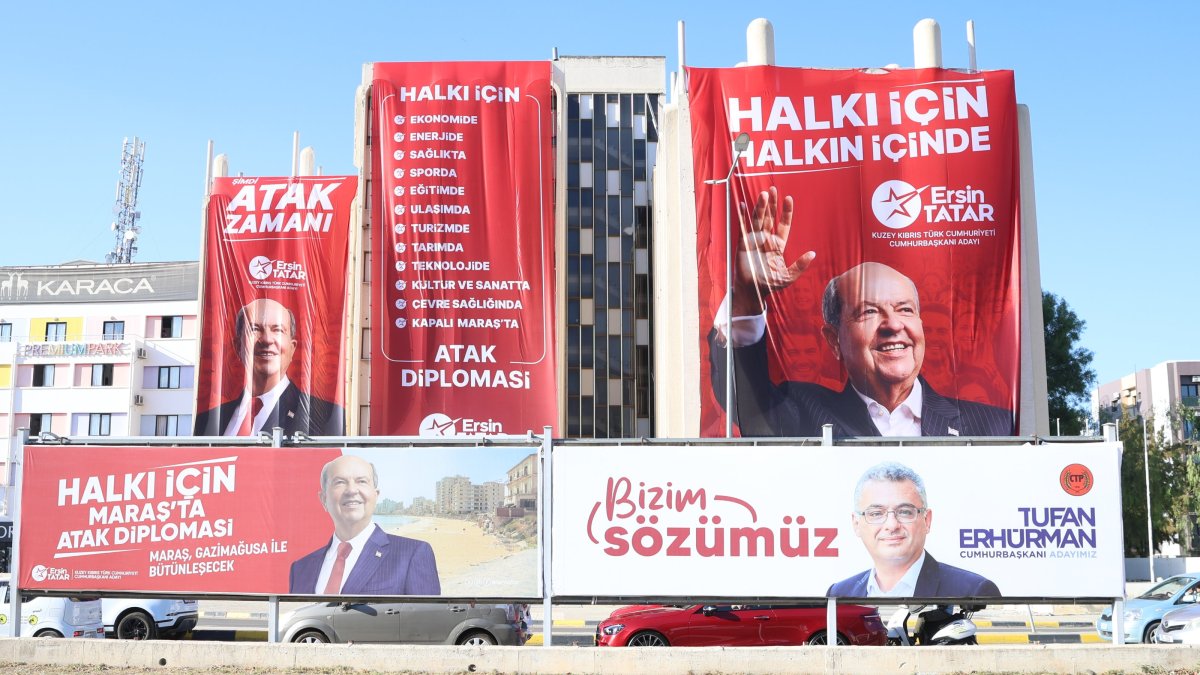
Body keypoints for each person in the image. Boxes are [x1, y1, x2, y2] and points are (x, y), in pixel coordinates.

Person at [710, 187, 1013, 437]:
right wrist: (747, 299)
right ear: (833, 340)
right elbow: (747, 406)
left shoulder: (990, 426)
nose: (893, 324)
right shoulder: (800, 412)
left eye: (905, 309)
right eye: (869, 312)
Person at [828, 461, 999, 598]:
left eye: (904, 512)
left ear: (927, 520)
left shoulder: (973, 592)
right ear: (856, 524)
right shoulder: (839, 594)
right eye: (876, 513)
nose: (892, 525)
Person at [289, 454, 441, 595]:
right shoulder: (300, 569)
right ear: (324, 499)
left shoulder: (411, 555)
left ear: (376, 495)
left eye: (361, 481)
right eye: (340, 482)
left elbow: (427, 615)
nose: (351, 490)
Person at [193, 298, 344, 436]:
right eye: (254, 329)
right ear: (238, 346)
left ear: (292, 348)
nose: (266, 339)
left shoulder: (325, 417)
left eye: (277, 330)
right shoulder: (207, 421)